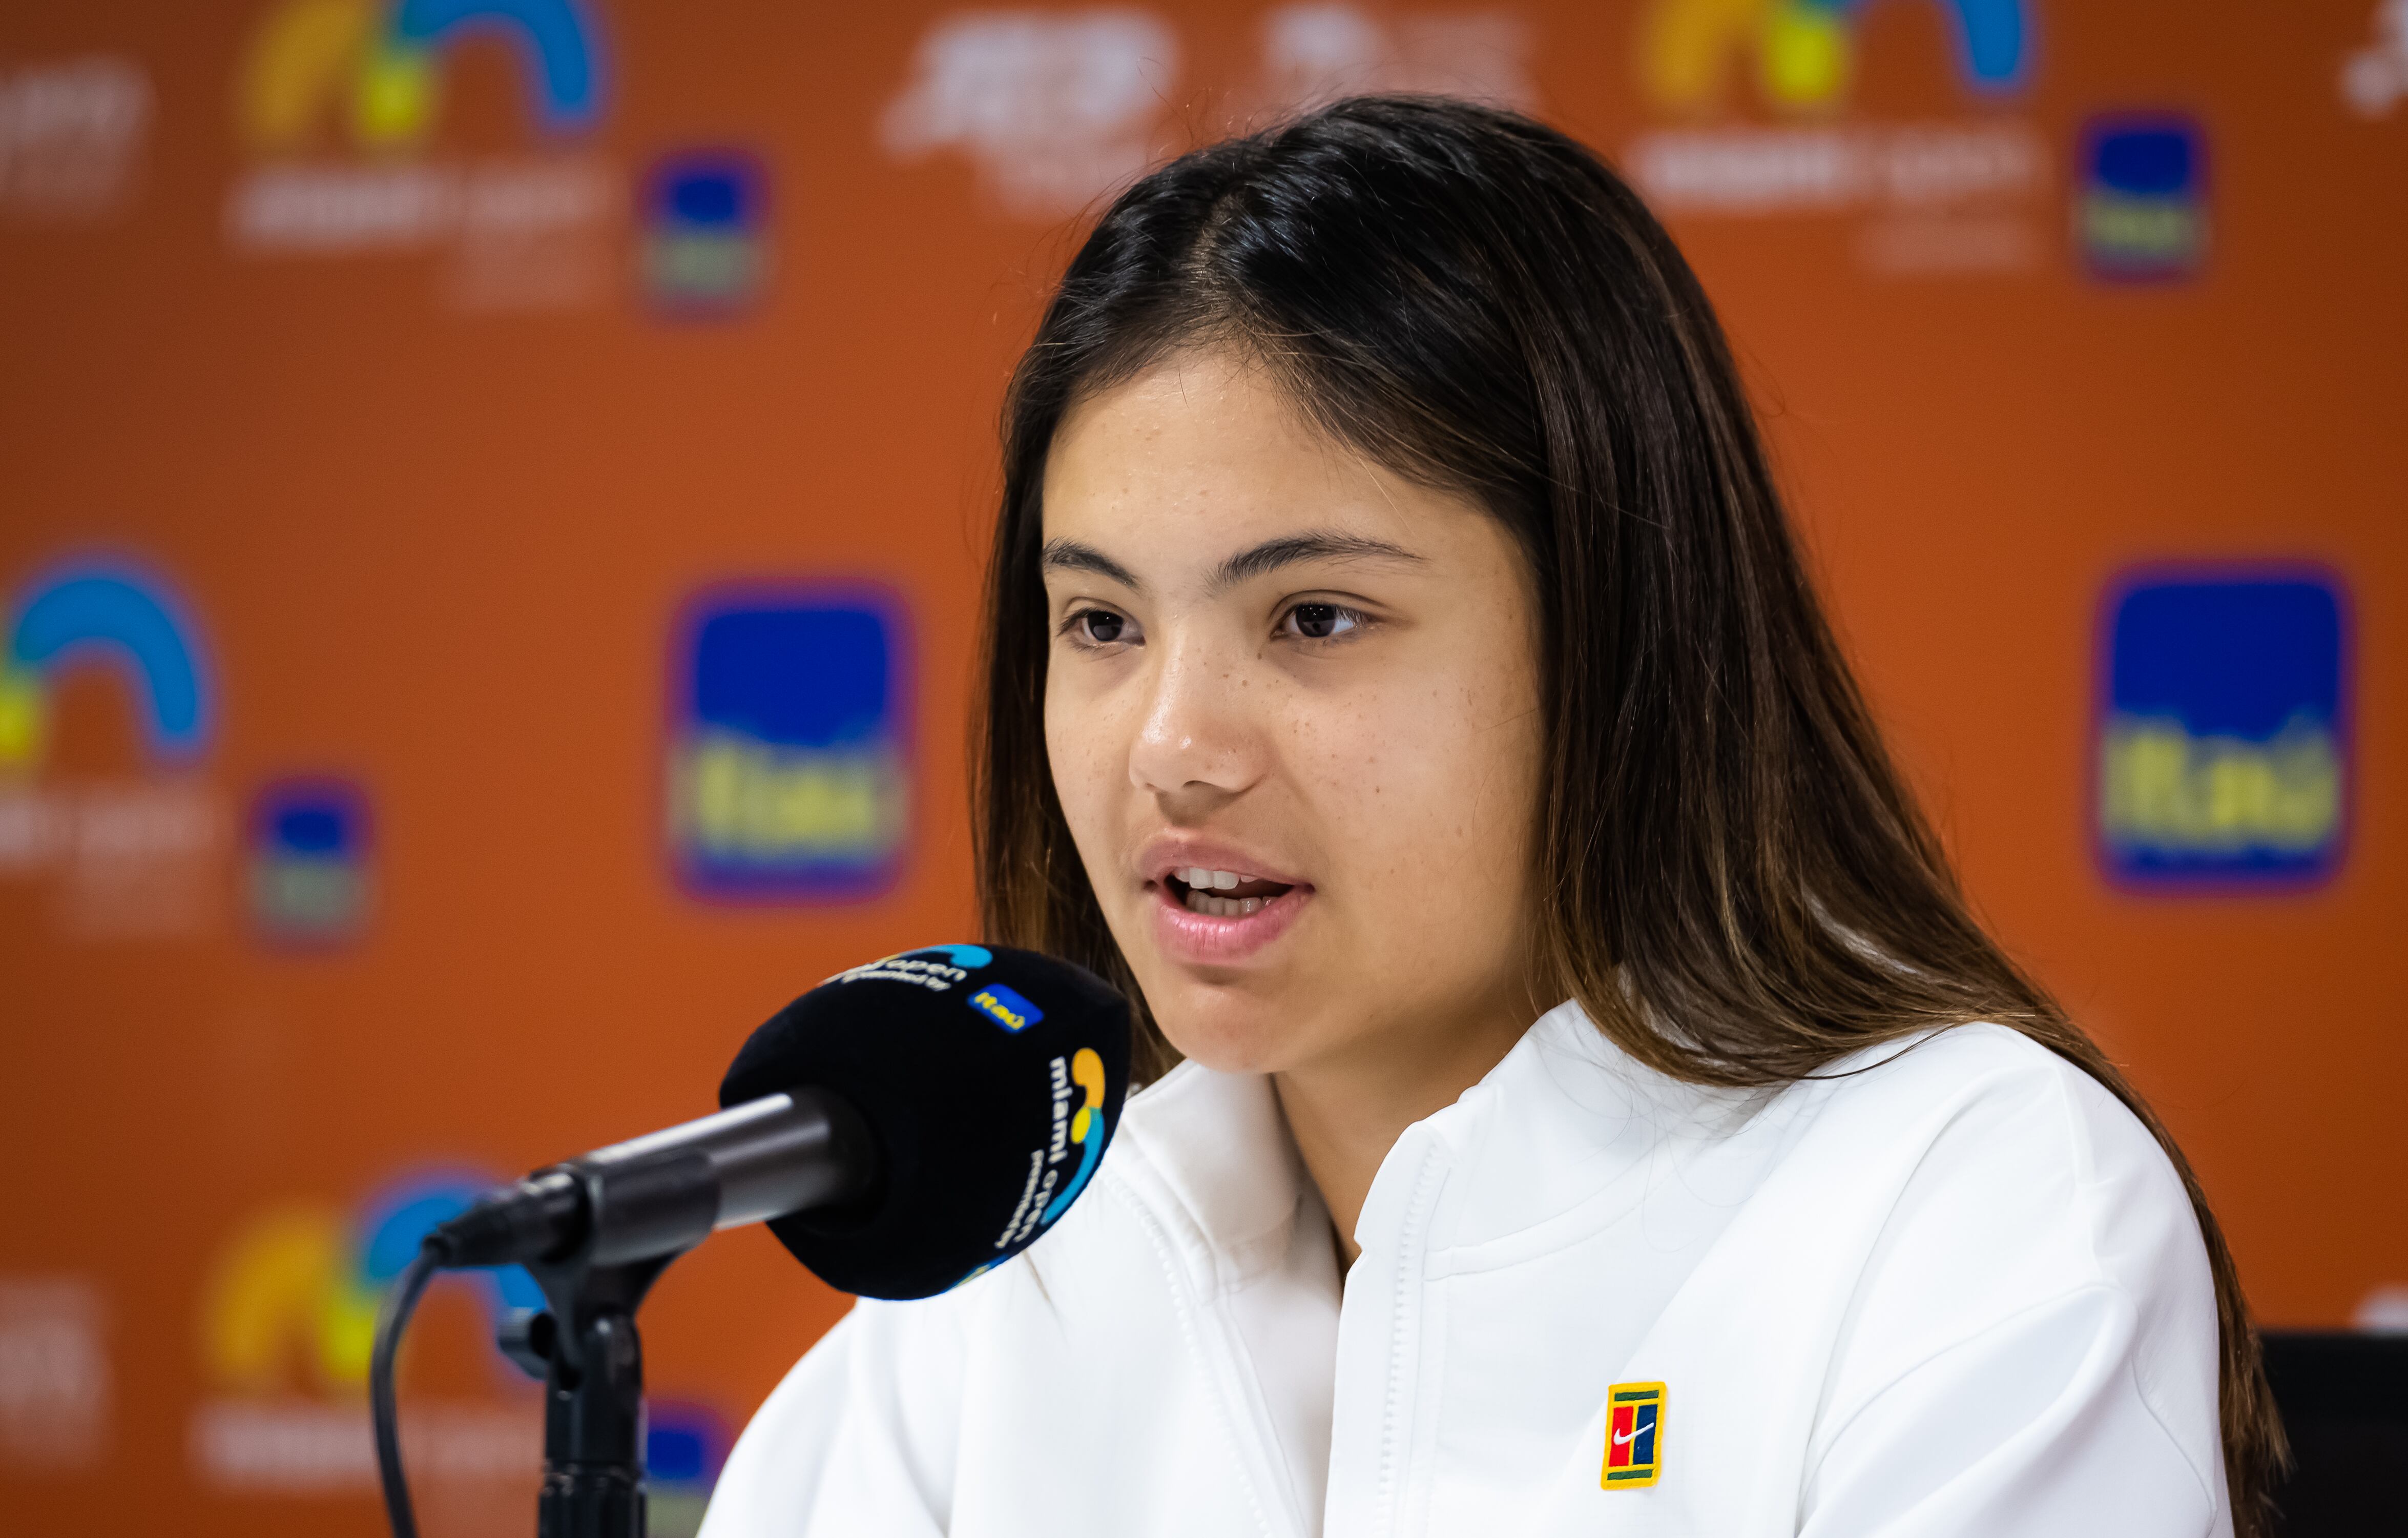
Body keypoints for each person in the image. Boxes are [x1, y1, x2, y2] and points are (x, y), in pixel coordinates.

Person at [698, 96, 2281, 1537]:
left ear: (1613, 640)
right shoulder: (1018, 1255)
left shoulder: (1963, 1198)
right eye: (1100, 625)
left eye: (1313, 618)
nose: (1172, 749)